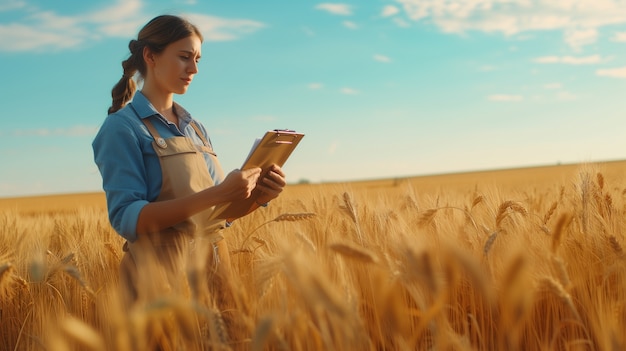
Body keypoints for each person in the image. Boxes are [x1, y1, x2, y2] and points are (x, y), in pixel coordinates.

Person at [92, 14, 286, 342]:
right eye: (184, 57)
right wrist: (218, 194)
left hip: (217, 276)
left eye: (196, 59)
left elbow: (215, 218)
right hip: (160, 285)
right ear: (151, 56)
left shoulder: (195, 127)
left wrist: (257, 197)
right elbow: (127, 218)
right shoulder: (122, 128)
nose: (193, 69)